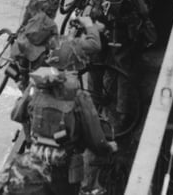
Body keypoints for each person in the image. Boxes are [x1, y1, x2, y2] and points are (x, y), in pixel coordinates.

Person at [8, 67, 117, 195]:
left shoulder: (34, 92)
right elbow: (94, 135)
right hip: (66, 162)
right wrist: (107, 148)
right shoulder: (78, 97)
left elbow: (16, 115)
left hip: (36, 159)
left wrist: (25, 96)